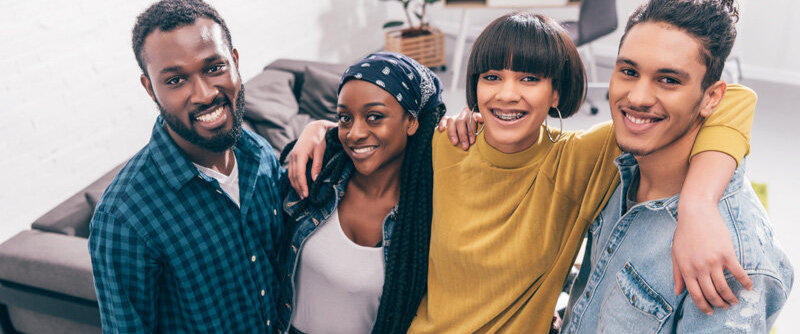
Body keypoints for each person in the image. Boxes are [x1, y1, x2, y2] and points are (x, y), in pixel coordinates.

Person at [286, 11, 756, 333]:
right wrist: (322, 130)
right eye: (492, 77)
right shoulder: (445, 146)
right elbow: (371, 131)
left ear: (556, 93)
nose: (506, 94)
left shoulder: (577, 161)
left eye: (529, 79)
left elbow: (733, 100)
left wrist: (696, 205)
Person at [559, 1, 793, 332]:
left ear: (712, 98)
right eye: (629, 71)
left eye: (668, 80)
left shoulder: (732, 261)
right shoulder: (620, 165)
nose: (638, 97)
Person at [88, 0, 285, 332]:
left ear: (234, 62)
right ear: (150, 88)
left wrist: (320, 133)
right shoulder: (123, 218)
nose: (204, 94)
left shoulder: (260, 154)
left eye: (213, 68)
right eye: (176, 80)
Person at [276, 52, 444, 334]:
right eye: (344, 118)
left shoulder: (428, 209)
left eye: (374, 117)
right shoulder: (316, 179)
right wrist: (316, 126)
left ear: (412, 122)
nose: (354, 134)